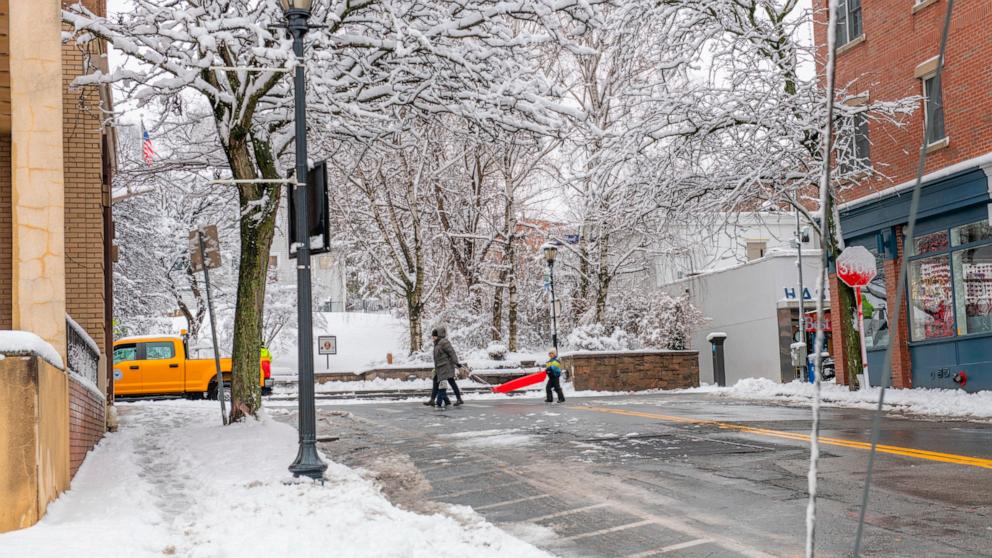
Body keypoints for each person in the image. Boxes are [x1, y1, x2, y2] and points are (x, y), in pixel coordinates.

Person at [424, 326, 463, 408]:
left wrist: (456, 363)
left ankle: (459, 399)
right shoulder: (437, 344)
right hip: (439, 368)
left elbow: (452, 353)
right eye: (432, 336)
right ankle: (432, 400)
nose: (433, 337)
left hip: (446, 367)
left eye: (434, 336)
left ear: (438, 335)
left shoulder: (444, 343)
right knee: (436, 382)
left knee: (452, 382)